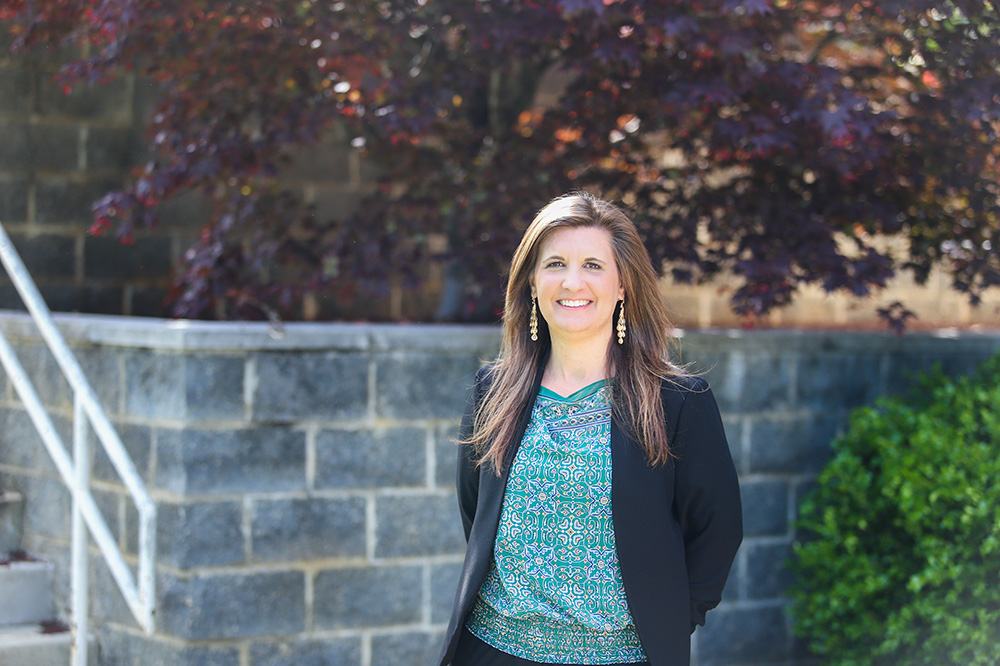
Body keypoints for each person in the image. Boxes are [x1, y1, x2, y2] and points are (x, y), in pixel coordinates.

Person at [438, 192, 742, 666]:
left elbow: (717, 532)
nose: (572, 281)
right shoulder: (492, 390)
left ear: (624, 286)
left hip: (620, 656)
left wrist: (664, 618)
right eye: (555, 263)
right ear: (533, 283)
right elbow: (476, 512)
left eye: (594, 265)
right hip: (492, 651)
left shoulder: (677, 402)